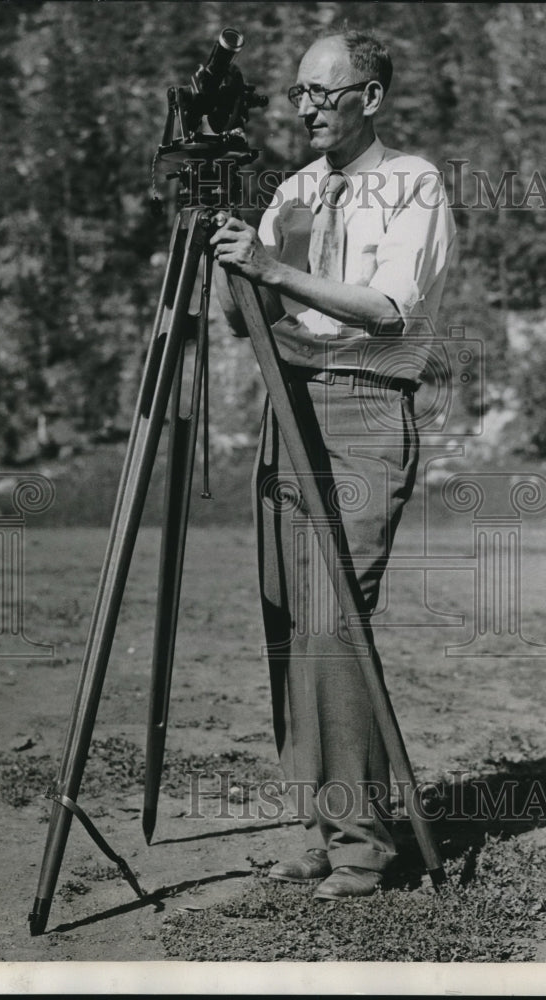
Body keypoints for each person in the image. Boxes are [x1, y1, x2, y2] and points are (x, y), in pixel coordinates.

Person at [212, 28, 456, 900]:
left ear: (372, 97)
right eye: (299, 94)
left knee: (333, 625)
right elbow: (244, 318)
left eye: (326, 92)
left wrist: (274, 265)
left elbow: (387, 310)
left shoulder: (411, 182)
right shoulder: (296, 189)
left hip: (361, 406)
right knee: (288, 622)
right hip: (288, 406)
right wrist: (225, 250)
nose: (309, 107)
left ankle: (363, 847)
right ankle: (316, 827)